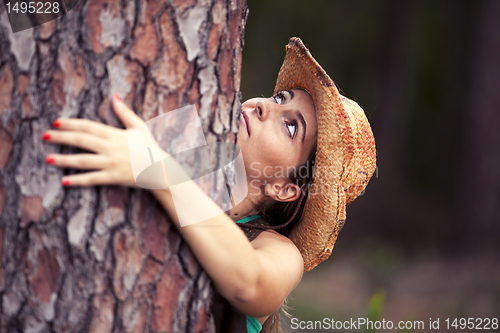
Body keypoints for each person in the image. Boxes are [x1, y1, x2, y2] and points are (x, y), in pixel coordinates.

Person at [42, 37, 376, 333]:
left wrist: (157, 170)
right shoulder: (185, 140)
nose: (263, 106)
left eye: (290, 127)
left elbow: (249, 282)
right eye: (279, 98)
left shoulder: (281, 253)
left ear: (286, 189)